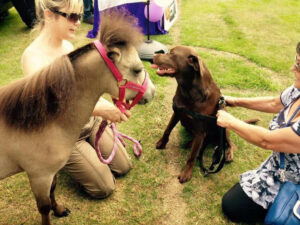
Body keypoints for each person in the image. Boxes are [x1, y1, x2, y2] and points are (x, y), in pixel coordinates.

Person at [22, 0, 132, 199]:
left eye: (79, 16)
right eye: (72, 16)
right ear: (49, 15)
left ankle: (89, 149)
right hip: (64, 135)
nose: (78, 22)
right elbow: (52, 107)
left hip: (88, 121)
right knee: (104, 188)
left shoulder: (67, 46)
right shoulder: (32, 58)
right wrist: (100, 110)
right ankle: (59, 161)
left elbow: (79, 90)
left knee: (124, 166)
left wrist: (112, 103)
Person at [216, 42, 300, 223]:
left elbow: (267, 141)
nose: (292, 68)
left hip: (294, 181)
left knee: (231, 206)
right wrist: (235, 101)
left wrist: (231, 122)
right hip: (278, 168)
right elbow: (274, 103)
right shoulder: (297, 91)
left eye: (299, 65)